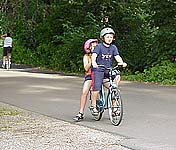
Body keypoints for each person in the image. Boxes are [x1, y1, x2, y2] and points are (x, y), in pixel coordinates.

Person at [90, 27, 127, 116]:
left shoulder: (113, 47)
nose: (109, 39)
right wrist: (94, 63)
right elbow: (94, 56)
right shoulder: (99, 47)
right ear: (103, 38)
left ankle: (114, 106)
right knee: (97, 87)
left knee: (116, 77)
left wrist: (121, 62)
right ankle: (93, 105)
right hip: (98, 69)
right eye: (107, 37)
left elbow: (117, 56)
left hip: (108, 70)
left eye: (111, 37)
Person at [73, 39, 98, 121]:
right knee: (85, 92)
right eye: (93, 46)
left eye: (96, 46)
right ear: (89, 48)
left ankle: (114, 109)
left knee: (112, 86)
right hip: (90, 75)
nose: (95, 48)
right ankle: (81, 112)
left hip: (99, 75)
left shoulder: (100, 55)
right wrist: (92, 60)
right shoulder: (86, 57)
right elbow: (86, 68)